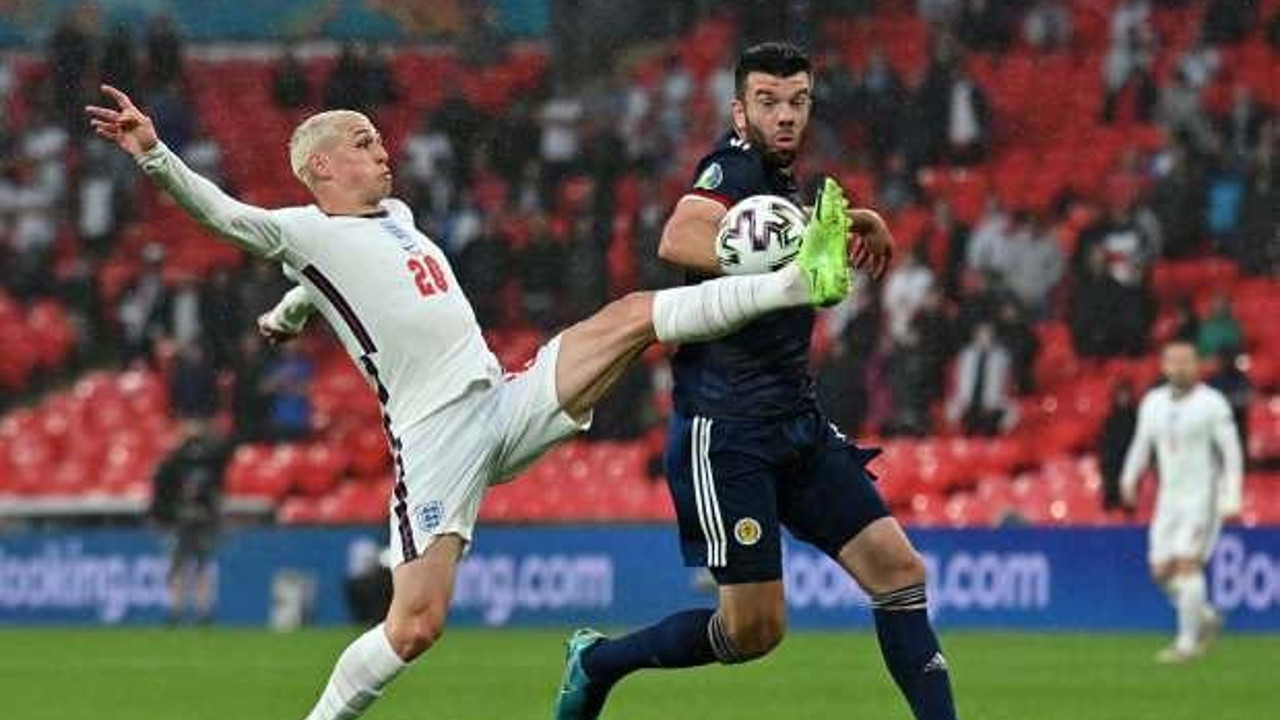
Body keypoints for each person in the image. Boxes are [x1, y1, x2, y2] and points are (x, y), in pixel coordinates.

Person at [86, 82, 862, 720]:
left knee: (632, 316)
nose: (380, 147)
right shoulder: (300, 232)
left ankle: (796, 282)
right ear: (319, 165)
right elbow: (220, 213)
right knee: (416, 627)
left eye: (377, 137)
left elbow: (328, 285)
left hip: (499, 399)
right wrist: (153, 153)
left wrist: (289, 312)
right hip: (433, 441)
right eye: (361, 141)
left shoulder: (396, 218)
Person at [553, 43, 957, 720]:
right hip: (728, 430)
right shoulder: (730, 167)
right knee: (754, 631)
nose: (786, 116)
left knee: (900, 573)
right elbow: (679, 236)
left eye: (798, 101)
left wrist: (857, 222)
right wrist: (760, 250)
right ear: (740, 110)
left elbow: (782, 233)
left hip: (796, 420)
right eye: (768, 102)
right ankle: (598, 661)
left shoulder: (779, 184)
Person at [1120, 340, 1243, 663]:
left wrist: (1233, 496)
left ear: (1198, 365)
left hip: (1202, 497)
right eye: (1173, 362)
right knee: (1161, 572)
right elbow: (1141, 443)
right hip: (1169, 498)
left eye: (1186, 361)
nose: (1179, 368)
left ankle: (1187, 645)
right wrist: (1129, 478)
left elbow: (1231, 453)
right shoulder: (1153, 403)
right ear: (1163, 366)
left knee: (1188, 565)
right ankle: (1204, 616)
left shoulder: (1212, 404)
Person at [149, 419, 232, 625]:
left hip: (189, 521)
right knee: (195, 568)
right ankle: (195, 612)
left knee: (187, 568)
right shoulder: (208, 460)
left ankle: (182, 613)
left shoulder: (176, 461)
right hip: (193, 521)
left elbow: (160, 492)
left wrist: (162, 515)